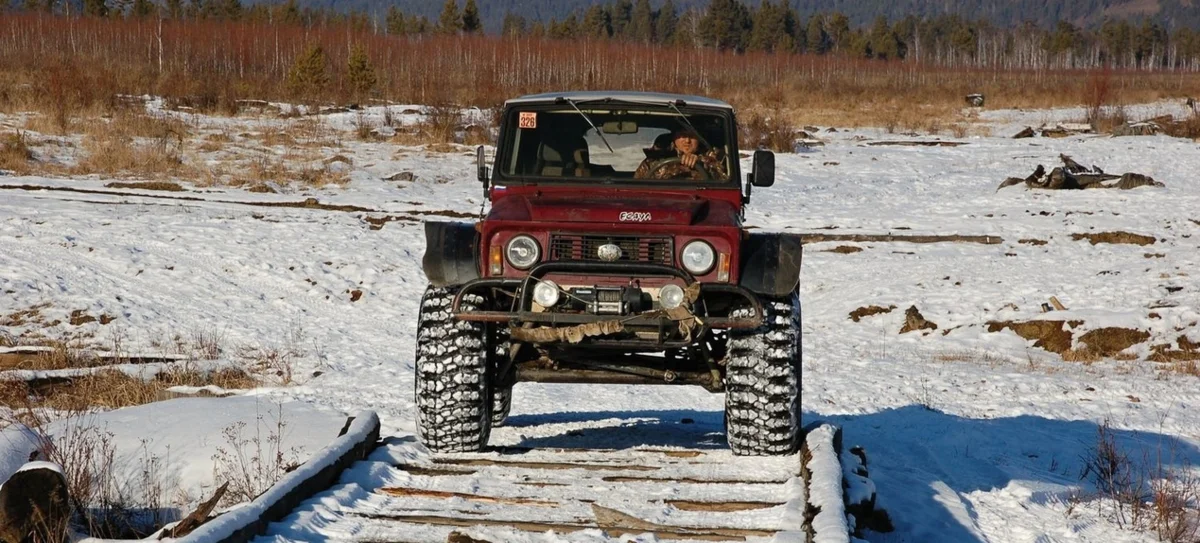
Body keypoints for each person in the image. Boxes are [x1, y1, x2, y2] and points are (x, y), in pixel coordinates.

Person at [634, 127, 727, 181]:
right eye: (682, 135)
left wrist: (701, 163)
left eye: (692, 136)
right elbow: (636, 190)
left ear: (699, 139)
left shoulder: (711, 160)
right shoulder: (652, 162)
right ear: (675, 138)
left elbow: (724, 184)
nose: (687, 140)